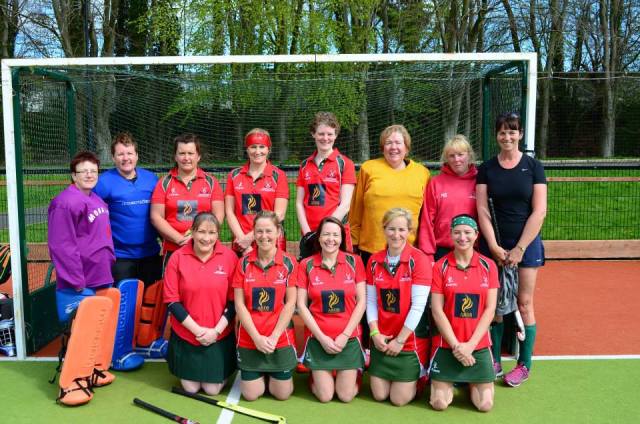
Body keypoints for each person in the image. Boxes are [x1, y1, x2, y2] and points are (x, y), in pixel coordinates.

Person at [476, 112, 547, 387]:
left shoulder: (533, 166)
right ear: (497, 136)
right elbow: (482, 209)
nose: (507, 137)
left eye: (512, 132)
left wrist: (519, 248)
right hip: (493, 247)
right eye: (502, 132)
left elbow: (539, 212)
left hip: (526, 248)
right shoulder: (487, 168)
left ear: (520, 135)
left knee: (524, 303)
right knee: (494, 307)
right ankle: (494, 360)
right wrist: (493, 245)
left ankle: (523, 365)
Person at [429, 215, 499, 412]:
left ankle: (470, 382)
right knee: (439, 403)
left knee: (485, 405)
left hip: (477, 345)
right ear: (450, 235)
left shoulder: (489, 266)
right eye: (457, 232)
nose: (462, 237)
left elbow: (490, 309)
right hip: (447, 345)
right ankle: (454, 381)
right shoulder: (439, 266)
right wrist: (457, 347)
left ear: (476, 235)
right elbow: (437, 310)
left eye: (467, 232)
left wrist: (470, 346)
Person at [163, 212, 238, 395]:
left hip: (217, 335)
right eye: (201, 232)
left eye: (212, 233)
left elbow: (234, 301)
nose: (206, 238)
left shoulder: (229, 257)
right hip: (188, 334)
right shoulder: (177, 258)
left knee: (212, 390)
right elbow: (172, 302)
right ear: (193, 232)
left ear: (218, 235)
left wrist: (215, 331)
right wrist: (197, 331)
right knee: (191, 388)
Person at [297, 216, 366, 403]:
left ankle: (354, 373)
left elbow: (362, 302)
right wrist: (321, 337)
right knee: (325, 396)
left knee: (345, 396)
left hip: (348, 339)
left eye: (335, 235)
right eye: (326, 234)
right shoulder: (306, 265)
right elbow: (301, 305)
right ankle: (315, 374)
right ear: (319, 238)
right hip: (320, 339)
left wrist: (345, 335)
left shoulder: (355, 262)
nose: (331, 239)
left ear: (342, 238)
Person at [366, 208, 431, 406]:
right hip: (382, 340)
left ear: (409, 231)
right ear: (384, 230)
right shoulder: (374, 260)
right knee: (379, 395)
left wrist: (400, 340)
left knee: (398, 400)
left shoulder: (419, 260)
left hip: (407, 341)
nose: (396, 235)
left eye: (402, 229)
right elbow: (371, 302)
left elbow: (418, 306)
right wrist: (375, 334)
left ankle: (420, 376)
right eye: (391, 229)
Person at [233, 211, 298, 401]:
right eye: (259, 231)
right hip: (250, 338)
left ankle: (274, 374)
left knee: (282, 394)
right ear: (253, 233)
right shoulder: (243, 263)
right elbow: (239, 304)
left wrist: (274, 336)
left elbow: (290, 303)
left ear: (278, 232)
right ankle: (260, 373)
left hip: (279, 338)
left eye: (269, 231)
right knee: (251, 395)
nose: (264, 236)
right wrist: (257, 338)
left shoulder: (289, 263)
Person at [350, 125, 430, 266]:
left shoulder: (422, 173)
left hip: (409, 249)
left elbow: (426, 216)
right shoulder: (368, 169)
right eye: (388, 143)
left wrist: (425, 247)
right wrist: (353, 242)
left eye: (398, 143)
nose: (393, 147)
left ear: (406, 148)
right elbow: (356, 210)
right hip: (372, 248)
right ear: (382, 147)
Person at [48, 151, 115, 309]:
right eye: (83, 171)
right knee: (84, 329)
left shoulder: (96, 199)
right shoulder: (64, 203)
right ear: (73, 175)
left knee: (100, 328)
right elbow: (61, 246)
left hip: (101, 275)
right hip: (82, 282)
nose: (89, 175)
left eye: (93, 171)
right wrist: (76, 282)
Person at [94, 132, 161, 285]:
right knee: (124, 303)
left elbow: (161, 213)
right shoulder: (103, 183)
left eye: (130, 153)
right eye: (120, 154)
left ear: (137, 155)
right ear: (113, 158)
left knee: (150, 302)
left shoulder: (151, 179)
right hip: (120, 256)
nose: (126, 158)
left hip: (150, 254)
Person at [151, 133, 224, 267]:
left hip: (204, 249)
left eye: (191, 153)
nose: (186, 158)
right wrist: (180, 239)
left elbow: (218, 215)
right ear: (175, 156)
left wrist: (198, 239)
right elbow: (156, 217)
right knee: (172, 288)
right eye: (182, 153)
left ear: (198, 156)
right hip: (173, 249)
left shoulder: (211, 182)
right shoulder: (164, 183)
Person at [296, 112, 356, 258]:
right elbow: (298, 203)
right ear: (313, 134)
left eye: (330, 134)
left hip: (335, 234)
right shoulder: (304, 165)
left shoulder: (345, 164)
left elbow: (345, 205)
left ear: (336, 135)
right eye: (321, 134)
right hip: (309, 234)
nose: (325, 138)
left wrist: (323, 232)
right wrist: (308, 234)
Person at [225, 129, 289, 256]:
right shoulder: (234, 175)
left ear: (268, 149)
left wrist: (250, 238)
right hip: (241, 243)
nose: (257, 151)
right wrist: (243, 242)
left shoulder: (279, 176)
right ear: (247, 149)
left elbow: (279, 214)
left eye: (262, 147)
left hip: (269, 242)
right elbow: (229, 211)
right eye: (253, 147)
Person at [418, 135, 478, 264]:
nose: (456, 160)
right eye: (452, 156)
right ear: (446, 158)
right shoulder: (436, 183)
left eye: (460, 154)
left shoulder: (480, 182)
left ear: (469, 155)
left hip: (473, 249)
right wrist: (427, 254)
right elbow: (427, 220)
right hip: (442, 250)